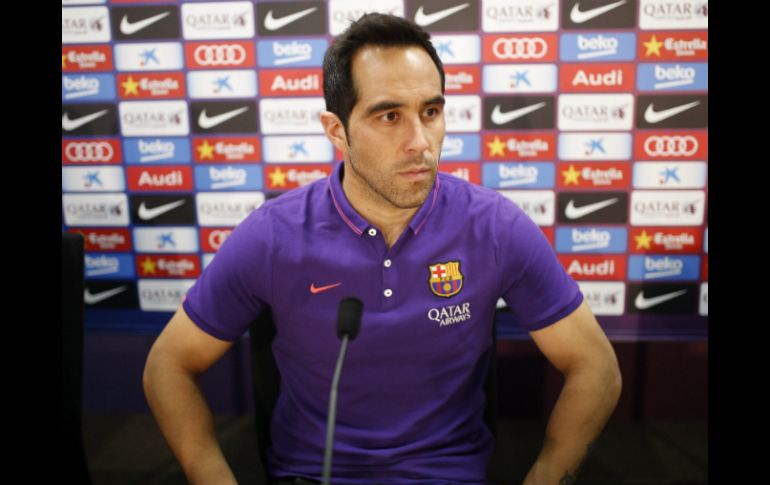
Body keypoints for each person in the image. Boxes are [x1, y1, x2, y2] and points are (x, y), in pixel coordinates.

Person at [143, 13, 622, 485]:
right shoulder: (273, 236)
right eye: (390, 116)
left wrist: (546, 475)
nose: (420, 142)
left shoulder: (494, 227)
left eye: (430, 112)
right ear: (336, 130)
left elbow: (595, 367)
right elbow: (169, 364)